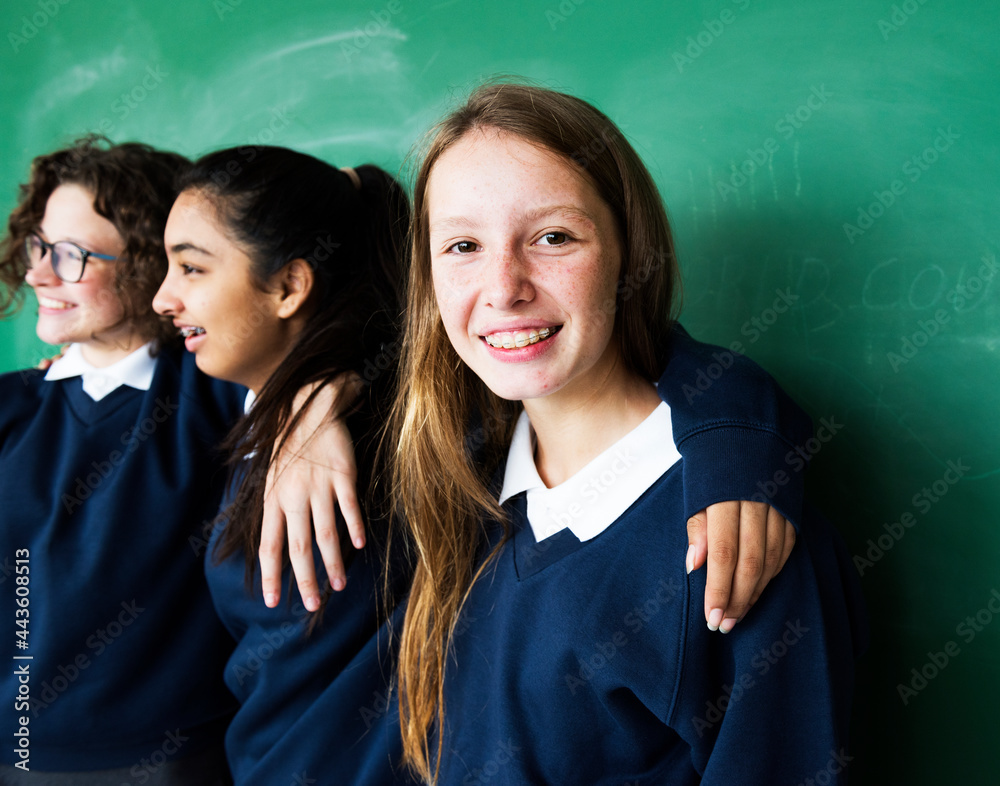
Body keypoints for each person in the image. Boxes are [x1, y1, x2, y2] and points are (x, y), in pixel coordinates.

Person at [387, 81, 867, 784]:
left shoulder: (741, 536)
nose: (503, 286)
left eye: (553, 236)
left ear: (627, 253)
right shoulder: (462, 490)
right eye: (462, 244)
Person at [0, 137, 364, 782]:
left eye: (72, 255)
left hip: (176, 760)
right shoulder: (17, 404)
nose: (39, 274)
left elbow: (335, 329)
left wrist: (320, 397)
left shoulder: (215, 386)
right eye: (38, 245)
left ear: (145, 262)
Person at [151, 146, 412, 784]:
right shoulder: (245, 402)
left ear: (290, 286)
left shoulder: (383, 438)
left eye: (190, 268)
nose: (162, 297)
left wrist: (329, 395)